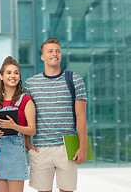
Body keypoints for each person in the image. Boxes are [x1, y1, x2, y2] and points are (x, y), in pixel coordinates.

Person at [24, 38, 88, 192]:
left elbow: (81, 117)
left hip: (67, 146)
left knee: (67, 190)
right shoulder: (30, 84)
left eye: (58, 51)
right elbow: (26, 117)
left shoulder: (74, 79)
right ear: (42, 56)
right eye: (50, 51)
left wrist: (83, 147)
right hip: (40, 147)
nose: (55, 54)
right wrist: (27, 143)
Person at [0, 56, 36, 192]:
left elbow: (32, 130)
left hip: (16, 153)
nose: (13, 76)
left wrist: (14, 126)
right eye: (9, 72)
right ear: (1, 76)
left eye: (16, 73)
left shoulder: (26, 100)